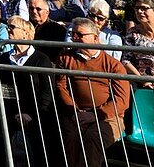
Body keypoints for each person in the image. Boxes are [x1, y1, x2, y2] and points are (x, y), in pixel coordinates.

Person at [56, 18, 131, 167]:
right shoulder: (65, 58)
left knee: (93, 137)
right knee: (70, 136)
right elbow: (61, 86)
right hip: (75, 113)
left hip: (108, 117)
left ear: (95, 37)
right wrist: (74, 111)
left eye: (80, 34)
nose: (74, 38)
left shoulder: (113, 65)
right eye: (73, 34)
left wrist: (94, 115)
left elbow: (121, 100)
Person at [0, 17, 56, 165]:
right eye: (8, 26)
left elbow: (47, 92)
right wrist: (13, 114)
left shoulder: (41, 59)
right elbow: (1, 88)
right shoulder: (3, 57)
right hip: (10, 113)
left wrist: (32, 115)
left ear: (25, 34)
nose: (8, 29)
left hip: (35, 116)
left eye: (12, 27)